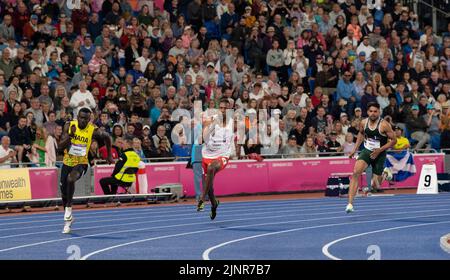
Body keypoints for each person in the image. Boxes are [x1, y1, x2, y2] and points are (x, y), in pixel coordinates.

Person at [58, 108, 113, 234]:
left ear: (89, 120)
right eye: (81, 118)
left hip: (81, 163)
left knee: (71, 179)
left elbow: (107, 137)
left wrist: (109, 155)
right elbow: (60, 147)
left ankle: (69, 208)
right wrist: (70, 136)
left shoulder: (93, 130)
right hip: (67, 163)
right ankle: (68, 220)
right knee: (64, 194)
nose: (83, 121)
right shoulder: (69, 126)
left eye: (86, 119)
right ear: (77, 116)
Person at [346, 102, 396, 213]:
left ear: (379, 112)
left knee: (375, 185)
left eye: (375, 111)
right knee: (355, 172)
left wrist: (380, 150)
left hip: (380, 152)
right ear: (367, 112)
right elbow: (361, 134)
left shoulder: (384, 125)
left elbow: (394, 140)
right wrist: (354, 149)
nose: (373, 113)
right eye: (371, 111)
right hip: (367, 151)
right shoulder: (363, 122)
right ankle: (350, 204)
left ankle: (384, 173)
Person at [197, 99, 234, 220]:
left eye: (226, 108)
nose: (223, 110)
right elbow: (202, 137)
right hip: (207, 155)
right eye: (221, 108)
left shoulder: (233, 121)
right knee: (210, 188)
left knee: (212, 167)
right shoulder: (211, 119)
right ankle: (214, 205)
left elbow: (249, 125)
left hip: (222, 155)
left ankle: (202, 198)